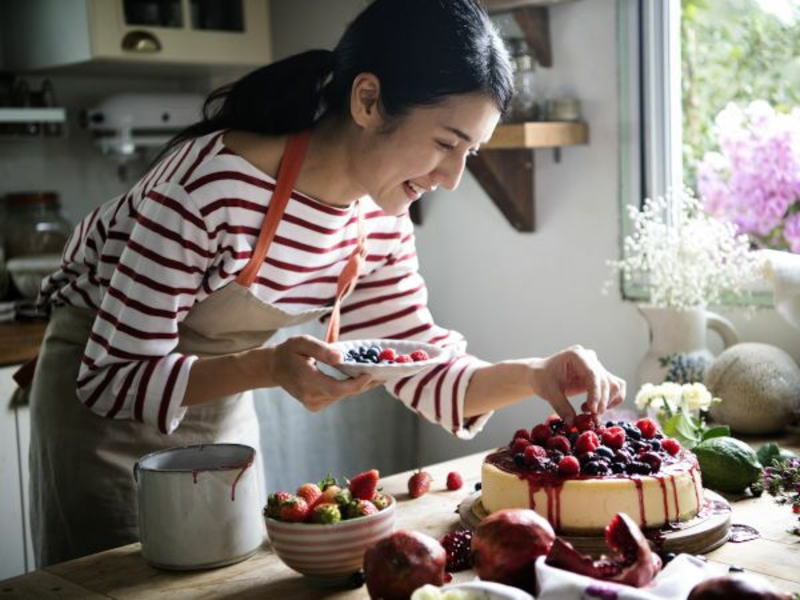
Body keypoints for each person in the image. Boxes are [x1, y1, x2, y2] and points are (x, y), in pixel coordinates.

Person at [24, 0, 625, 568]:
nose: (451, 178)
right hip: (103, 418)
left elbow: (422, 367)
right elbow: (110, 379)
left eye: (471, 153)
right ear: (368, 100)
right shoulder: (211, 190)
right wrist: (267, 368)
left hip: (220, 407)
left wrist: (534, 375)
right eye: (447, 143)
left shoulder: (379, 218)